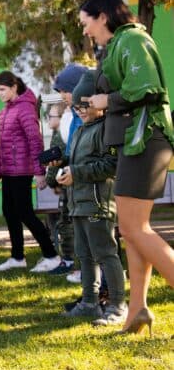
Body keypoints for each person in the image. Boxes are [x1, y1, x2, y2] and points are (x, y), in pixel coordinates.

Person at [79, 0, 174, 334]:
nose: (85, 30)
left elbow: (148, 88)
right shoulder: (117, 45)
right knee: (131, 233)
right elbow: (126, 93)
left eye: (85, 22)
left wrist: (107, 99)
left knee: (135, 229)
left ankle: (138, 310)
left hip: (145, 139)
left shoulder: (132, 38)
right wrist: (100, 104)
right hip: (134, 142)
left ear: (102, 16)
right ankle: (138, 311)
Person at [55, 73, 126, 325]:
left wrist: (78, 172)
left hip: (97, 203)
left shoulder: (106, 128)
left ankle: (118, 306)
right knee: (84, 255)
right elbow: (77, 164)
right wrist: (62, 167)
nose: (81, 110)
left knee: (106, 254)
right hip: (78, 204)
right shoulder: (80, 130)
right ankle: (89, 302)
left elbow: (111, 164)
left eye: (85, 105)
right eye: (76, 106)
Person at [0, 71, 61, 273]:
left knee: (25, 213)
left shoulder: (25, 109)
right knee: (9, 212)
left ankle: (51, 256)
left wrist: (39, 171)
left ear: (14, 87)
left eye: (2, 89)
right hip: (8, 172)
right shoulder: (4, 112)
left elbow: (35, 140)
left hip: (22, 170)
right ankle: (17, 257)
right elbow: (2, 146)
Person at [49, 64, 91, 282]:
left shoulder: (88, 114)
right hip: (75, 177)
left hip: (89, 181)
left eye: (65, 90)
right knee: (79, 228)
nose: (63, 96)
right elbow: (73, 149)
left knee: (93, 231)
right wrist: (62, 160)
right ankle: (87, 272)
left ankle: (98, 276)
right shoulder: (74, 115)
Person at [44, 102, 76, 274]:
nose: (48, 119)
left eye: (52, 116)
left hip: (66, 185)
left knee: (66, 223)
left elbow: (57, 165)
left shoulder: (61, 137)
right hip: (64, 184)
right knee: (67, 223)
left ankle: (69, 260)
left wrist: (51, 182)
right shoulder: (58, 134)